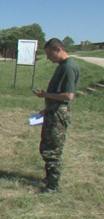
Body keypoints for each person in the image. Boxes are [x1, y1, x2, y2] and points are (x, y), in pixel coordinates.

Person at [33, 38, 80, 193]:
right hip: (52, 112)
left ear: (58, 49)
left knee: (53, 150)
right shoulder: (62, 66)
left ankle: (53, 185)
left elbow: (68, 96)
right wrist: (46, 108)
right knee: (46, 146)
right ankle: (49, 177)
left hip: (58, 115)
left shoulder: (68, 67)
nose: (48, 58)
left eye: (49, 54)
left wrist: (46, 95)